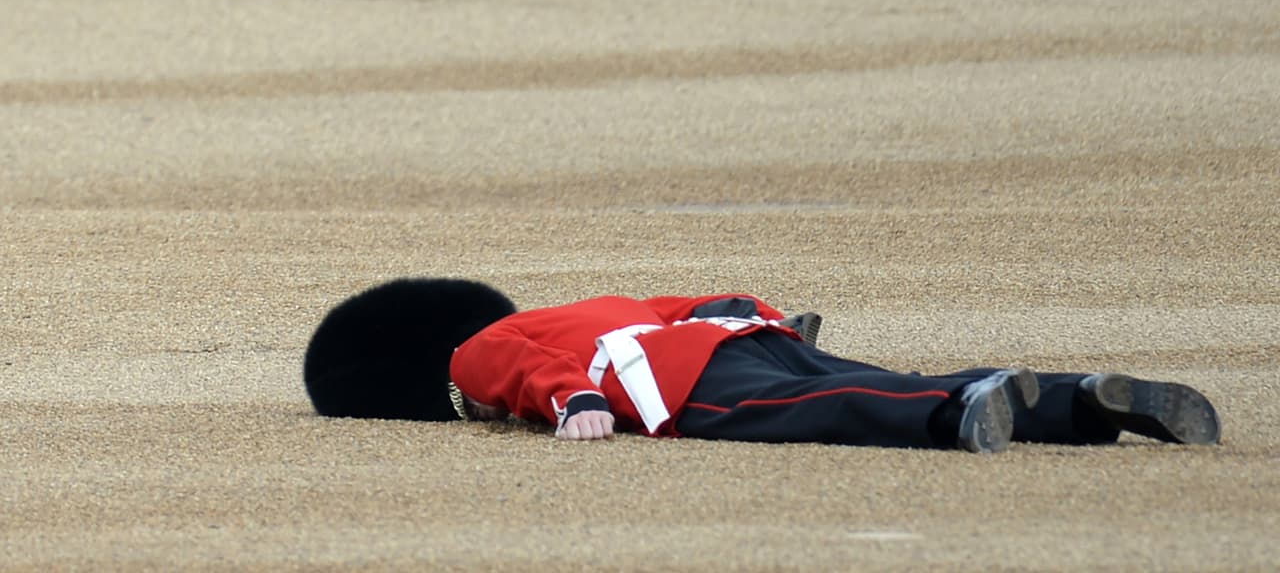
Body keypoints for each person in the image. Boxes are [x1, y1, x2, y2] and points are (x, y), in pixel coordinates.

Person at [304, 275, 1224, 455]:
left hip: (678, 382)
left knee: (837, 407)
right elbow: (686, 301)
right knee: (883, 375)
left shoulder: (471, 352)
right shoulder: (582, 302)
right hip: (736, 332)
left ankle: (960, 413)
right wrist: (761, 319)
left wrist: (578, 399)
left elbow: (508, 372)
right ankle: (1081, 403)